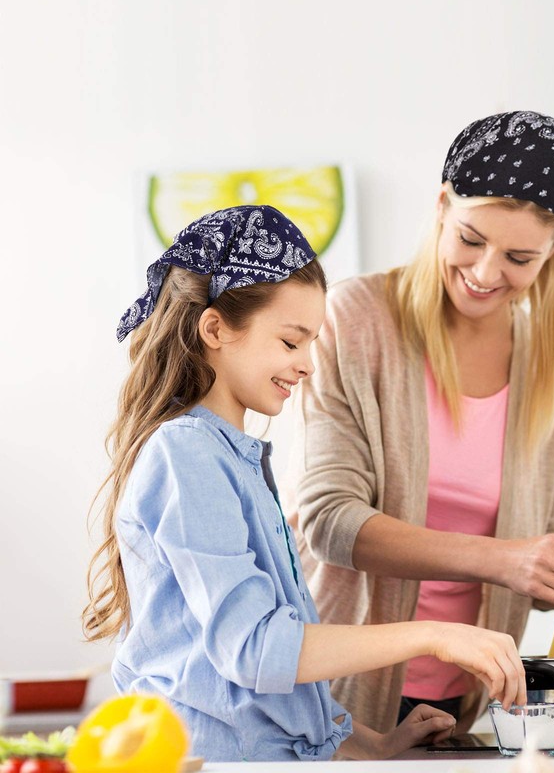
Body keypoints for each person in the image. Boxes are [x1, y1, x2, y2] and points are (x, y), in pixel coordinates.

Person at [82, 205, 526, 763]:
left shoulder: (233, 458)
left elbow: (279, 688)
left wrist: (376, 743)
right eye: (292, 343)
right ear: (215, 328)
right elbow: (256, 649)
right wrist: (434, 634)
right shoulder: (186, 454)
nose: (308, 364)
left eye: (312, 343)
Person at [286, 110, 554, 734]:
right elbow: (329, 522)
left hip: (474, 706)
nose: (486, 273)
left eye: (518, 256)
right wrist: (507, 559)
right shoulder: (354, 322)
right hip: (338, 699)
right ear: (440, 207)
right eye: (470, 239)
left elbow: (537, 566)